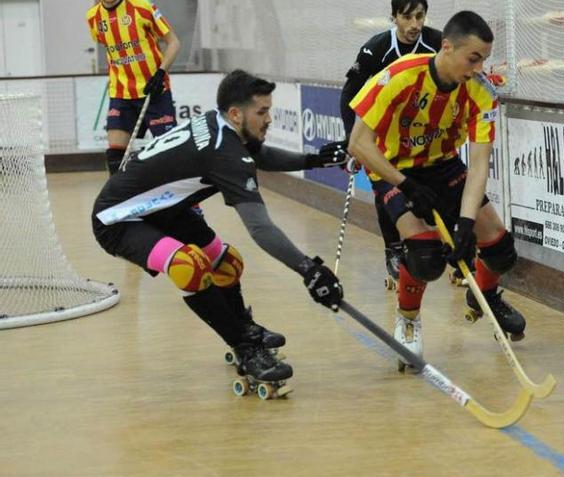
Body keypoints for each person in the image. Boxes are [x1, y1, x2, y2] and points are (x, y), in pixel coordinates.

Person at [92, 70, 346, 388]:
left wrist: (313, 160)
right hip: (118, 220)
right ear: (236, 113)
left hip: (163, 211)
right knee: (190, 267)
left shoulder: (221, 124)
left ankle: (243, 326)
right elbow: (261, 229)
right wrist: (309, 270)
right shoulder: (224, 153)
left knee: (228, 264)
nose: (269, 119)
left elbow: (258, 154)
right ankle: (244, 345)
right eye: (262, 112)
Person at [348, 11, 526, 367]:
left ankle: (484, 297)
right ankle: (408, 322)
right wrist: (407, 186)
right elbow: (358, 143)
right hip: (392, 166)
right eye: (472, 58)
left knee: (500, 248)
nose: (478, 68)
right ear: (447, 47)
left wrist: (464, 222)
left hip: (442, 165)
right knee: (425, 256)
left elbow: (477, 166)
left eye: (484, 60)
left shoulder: (480, 92)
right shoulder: (398, 77)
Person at [339, 0, 443, 291]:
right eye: (407, 17)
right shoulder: (376, 48)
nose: (414, 25)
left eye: (419, 16)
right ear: (394, 17)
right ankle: (394, 249)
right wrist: (353, 140)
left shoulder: (436, 43)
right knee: (388, 189)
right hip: (383, 135)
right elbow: (350, 93)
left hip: (423, 134)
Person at [87, 0, 181, 175]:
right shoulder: (93, 17)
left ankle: (189, 203)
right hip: (121, 93)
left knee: (171, 155)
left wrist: (160, 73)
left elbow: (174, 42)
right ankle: (121, 201)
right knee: (115, 157)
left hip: (154, 92)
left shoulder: (142, 7)